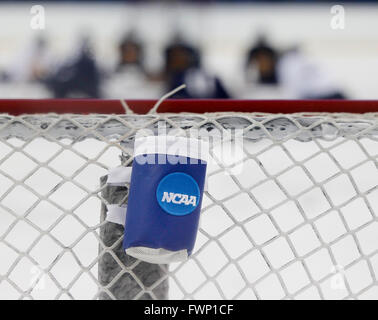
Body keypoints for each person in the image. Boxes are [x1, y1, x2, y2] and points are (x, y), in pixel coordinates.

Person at [162, 37, 230, 99]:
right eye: (174, 57)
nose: (177, 60)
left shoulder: (209, 78)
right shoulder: (174, 79)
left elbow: (226, 99)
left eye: (181, 56)